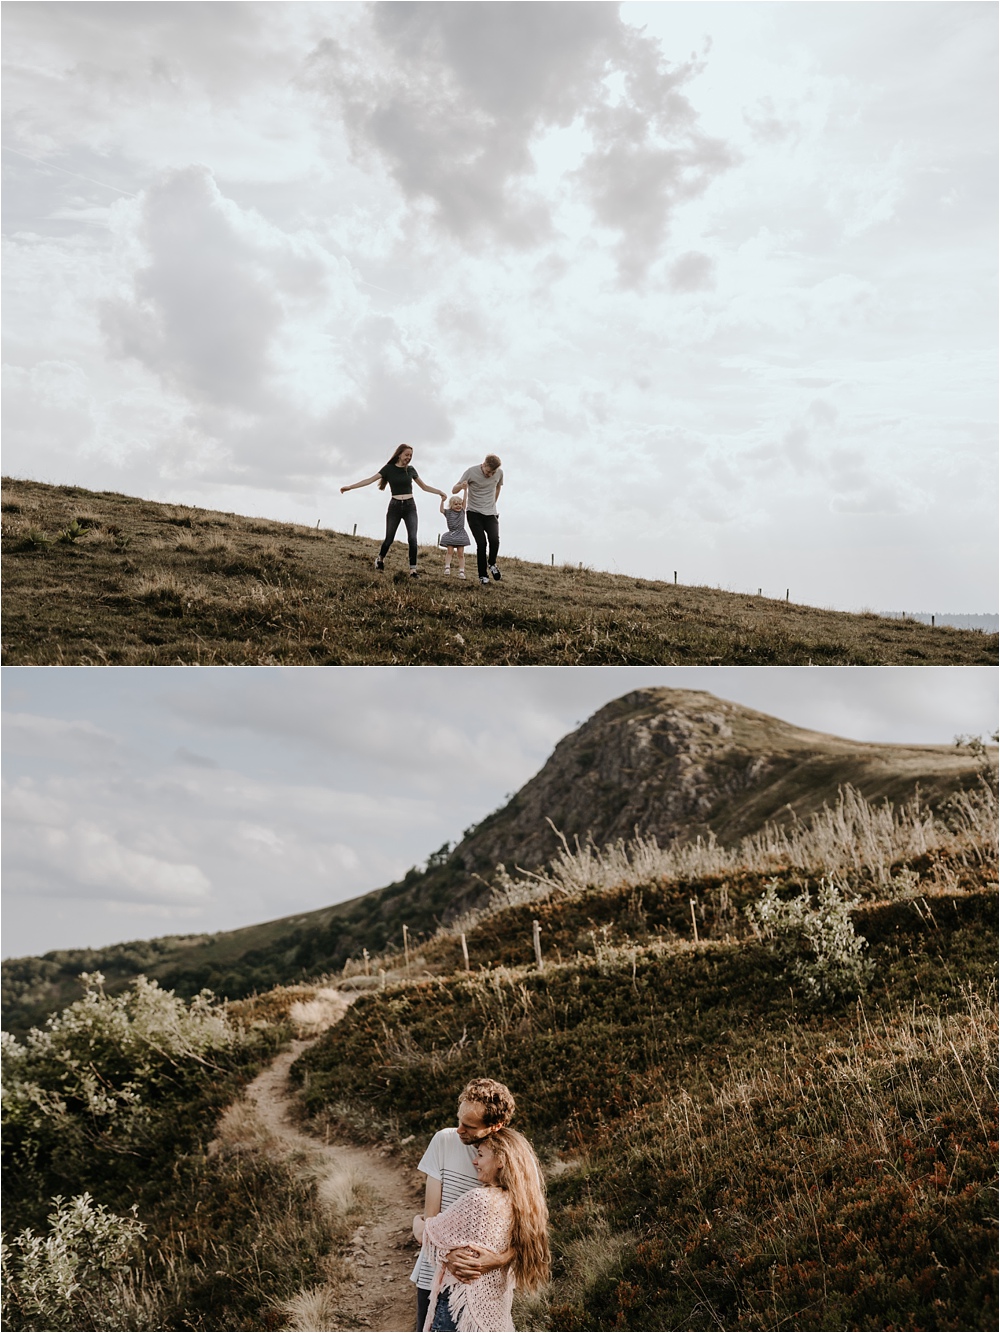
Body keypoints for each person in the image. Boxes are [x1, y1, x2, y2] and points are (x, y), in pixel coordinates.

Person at [413, 1126, 550, 1332]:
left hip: (459, 1309)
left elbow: (426, 1234)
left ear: (501, 1161)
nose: (474, 1161)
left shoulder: (479, 1199)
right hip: (495, 1310)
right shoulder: (520, 1204)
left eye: (480, 1155)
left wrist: (416, 1220)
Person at [409, 1079, 517, 1332]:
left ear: (496, 1125)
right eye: (459, 1120)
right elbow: (431, 1219)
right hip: (434, 1271)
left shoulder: (509, 1159)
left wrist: (496, 1260)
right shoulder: (443, 1141)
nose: (459, 1130)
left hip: (484, 1285)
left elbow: (525, 1231)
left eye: (469, 1126)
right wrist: (447, 1253)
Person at [341, 444, 447, 576]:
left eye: (411, 456)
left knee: (412, 538)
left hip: (410, 507)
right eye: (406, 455)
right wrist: (350, 487)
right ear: (399, 454)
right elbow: (370, 480)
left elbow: (424, 487)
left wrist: (439, 492)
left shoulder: (411, 470)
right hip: (395, 507)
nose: (409, 458)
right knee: (389, 538)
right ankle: (380, 559)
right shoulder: (388, 469)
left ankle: (413, 570)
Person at [453, 455, 503, 586]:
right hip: (474, 513)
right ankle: (483, 575)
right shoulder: (471, 471)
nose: (490, 475)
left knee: (494, 540)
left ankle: (492, 564)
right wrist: (462, 486)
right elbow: (454, 489)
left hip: (490, 513)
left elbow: (498, 486)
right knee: (481, 543)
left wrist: (493, 502)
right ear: (484, 465)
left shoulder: (499, 473)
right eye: (488, 472)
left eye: (493, 472)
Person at [439, 493, 470, 577]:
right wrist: (442, 501)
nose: (458, 506)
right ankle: (447, 567)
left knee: (460, 554)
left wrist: (465, 489)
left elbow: (465, 500)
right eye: (456, 504)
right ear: (451, 505)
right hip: (452, 534)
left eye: (460, 504)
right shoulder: (448, 512)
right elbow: (441, 510)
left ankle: (461, 571)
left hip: (461, 534)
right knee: (450, 552)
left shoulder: (462, 511)